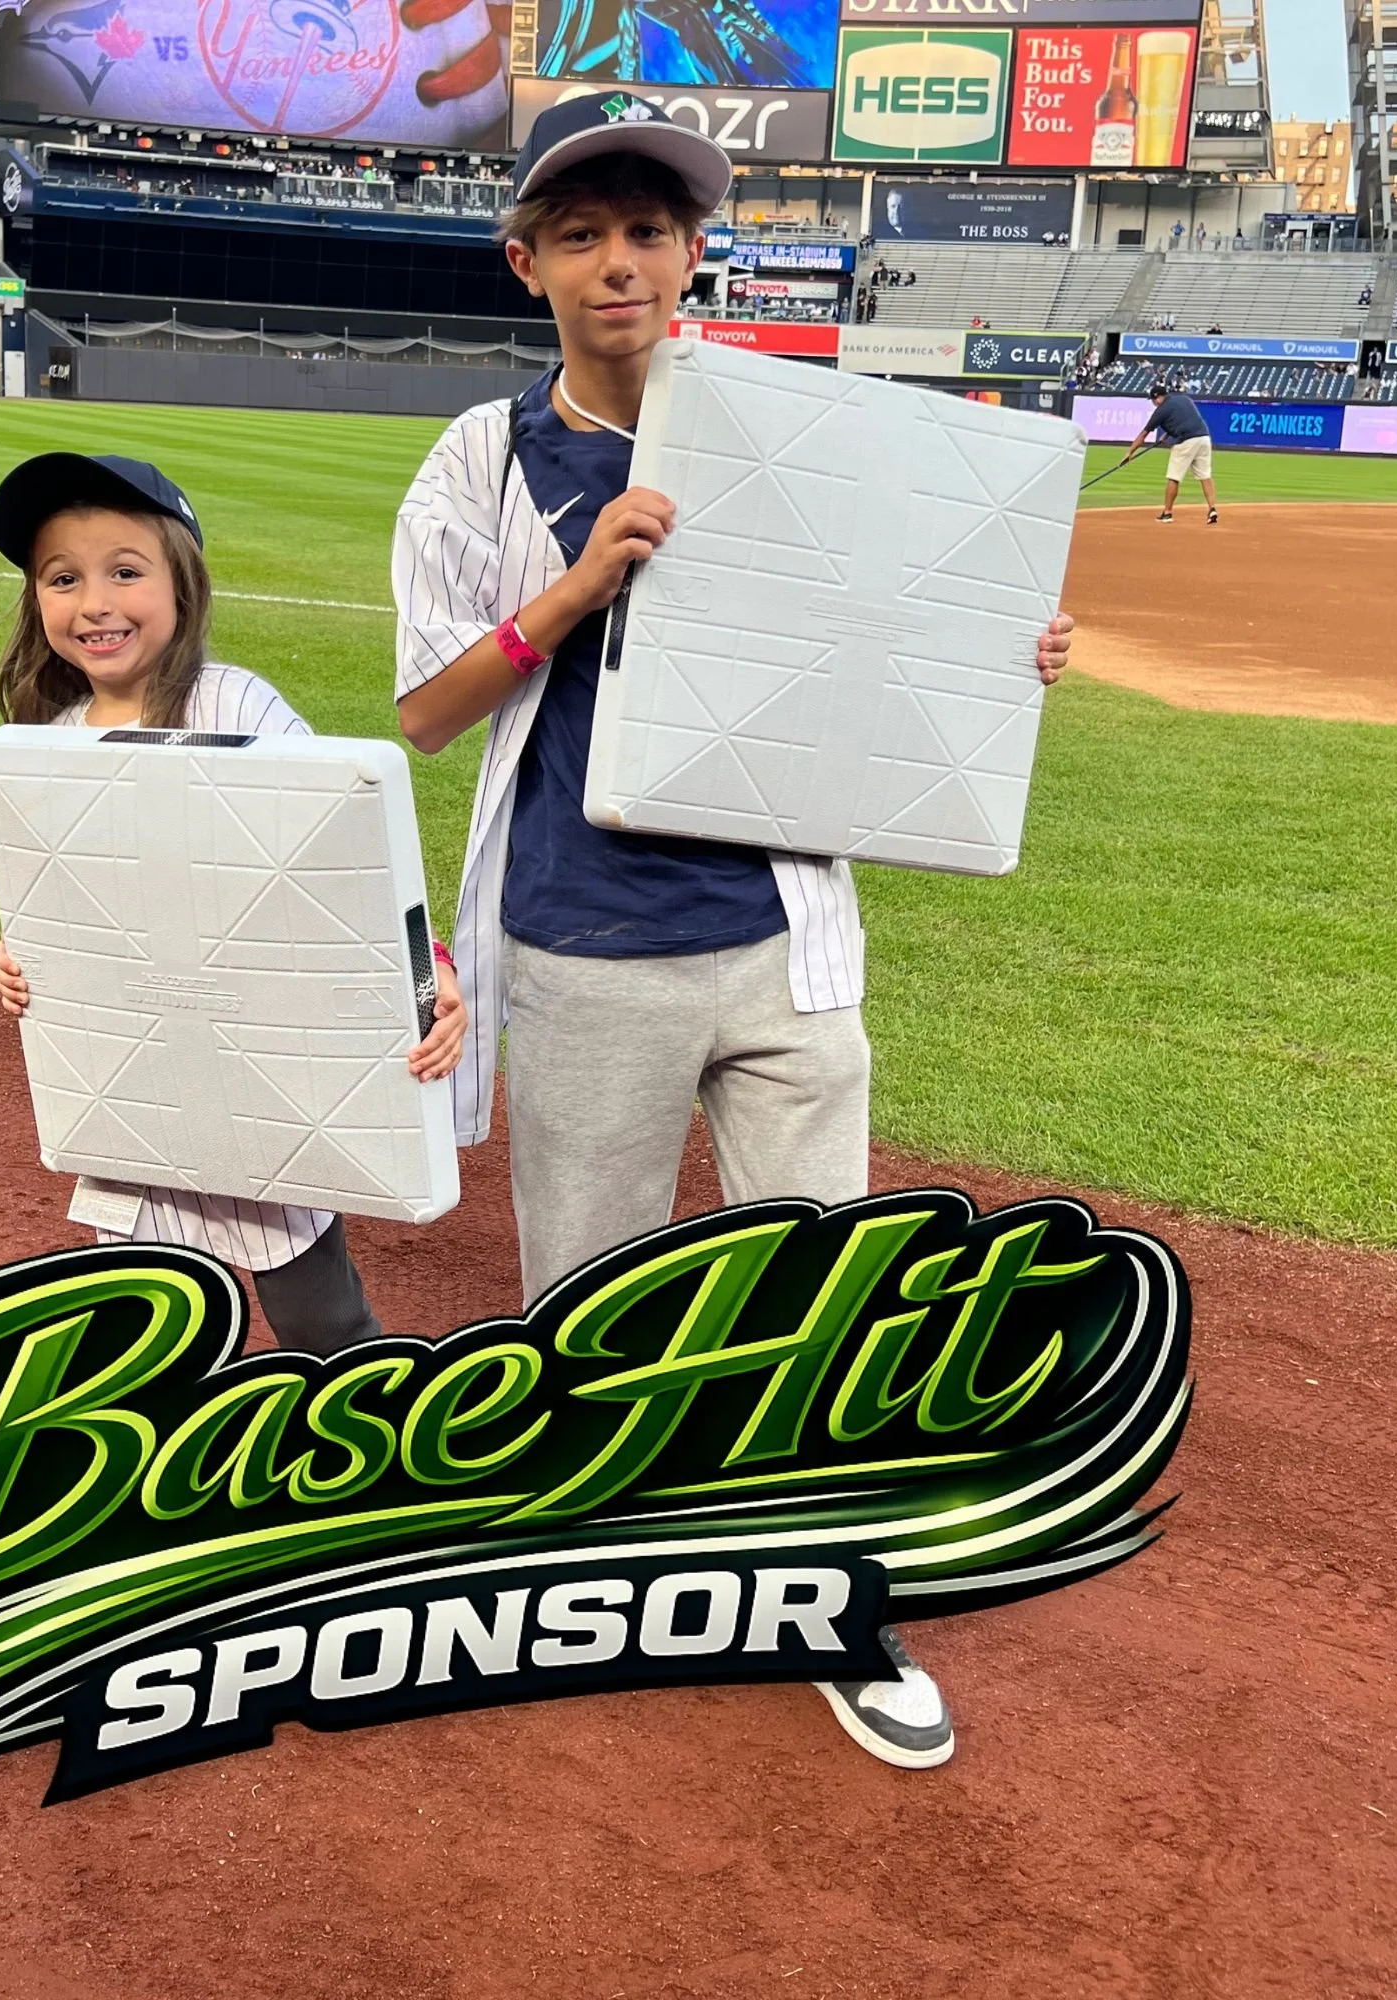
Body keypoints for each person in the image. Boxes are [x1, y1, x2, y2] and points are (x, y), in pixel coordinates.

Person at [390, 97, 1075, 1773]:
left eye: (650, 230)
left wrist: (1006, 650)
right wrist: (571, 591)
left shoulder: (805, 432)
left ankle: (828, 1598)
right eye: (582, 233)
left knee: (815, 1292)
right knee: (596, 1299)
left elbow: (904, 632)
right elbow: (422, 709)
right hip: (578, 943)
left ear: (696, 252)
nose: (620, 260)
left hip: (784, 940)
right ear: (527, 261)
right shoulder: (485, 458)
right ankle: (589, 1575)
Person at [0, 451, 468, 1354]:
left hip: (258, 1069)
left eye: (125, 572)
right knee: (138, 1317)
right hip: (137, 1078)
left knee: (323, 1318)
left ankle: (362, 1440)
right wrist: (17, 961)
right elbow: (52, 897)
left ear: (183, 582)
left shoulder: (233, 699)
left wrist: (427, 971)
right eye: (63, 578)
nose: (94, 602)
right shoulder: (42, 743)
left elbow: (346, 855)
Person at [1124, 382, 1217, 524]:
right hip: (1204, 437)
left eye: (1154, 401)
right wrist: (1167, 435)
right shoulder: (1184, 398)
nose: (1154, 404)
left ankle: (1167, 512)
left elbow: (1143, 435)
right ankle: (1212, 509)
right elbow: (1185, 418)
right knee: (1205, 476)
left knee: (1174, 477)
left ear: (1157, 398)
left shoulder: (1160, 411)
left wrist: (1129, 453)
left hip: (1186, 441)